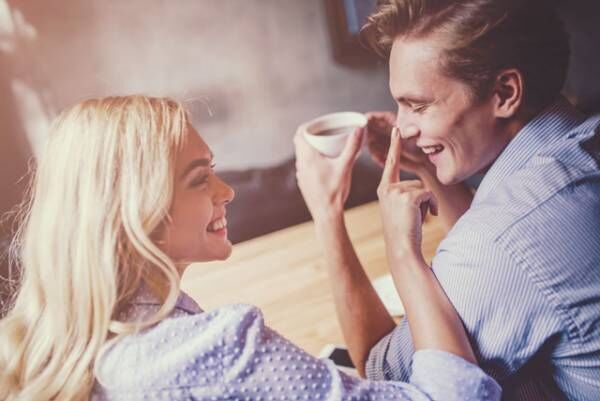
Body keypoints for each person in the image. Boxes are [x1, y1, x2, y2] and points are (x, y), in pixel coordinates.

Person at [0, 95, 500, 401]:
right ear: (136, 209)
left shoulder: (57, 335)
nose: (227, 192)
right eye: (200, 179)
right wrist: (404, 251)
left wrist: (326, 209)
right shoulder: (215, 349)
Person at [294, 0, 600, 400]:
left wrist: (328, 212)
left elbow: (386, 373)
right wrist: (426, 164)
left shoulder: (503, 240)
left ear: (505, 92)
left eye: (419, 106)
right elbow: (501, 241)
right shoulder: (579, 149)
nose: (403, 128)